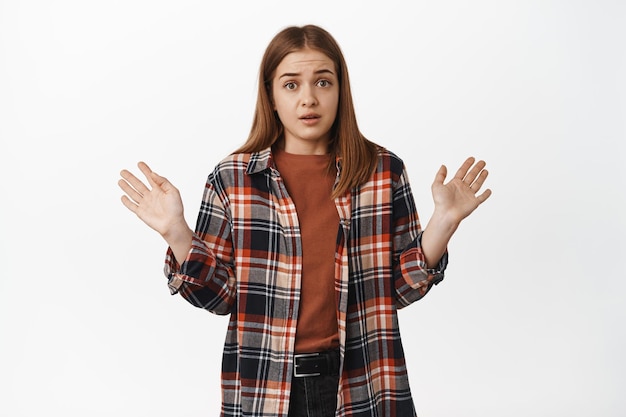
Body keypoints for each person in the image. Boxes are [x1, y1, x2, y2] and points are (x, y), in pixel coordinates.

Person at [118, 24, 491, 417]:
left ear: (340, 91)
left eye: (323, 82)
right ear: (272, 96)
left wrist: (445, 221)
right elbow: (222, 297)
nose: (309, 98)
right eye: (291, 85)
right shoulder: (233, 178)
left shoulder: (382, 171)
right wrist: (176, 233)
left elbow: (397, 291)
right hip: (267, 386)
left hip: (363, 380)